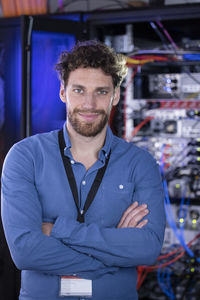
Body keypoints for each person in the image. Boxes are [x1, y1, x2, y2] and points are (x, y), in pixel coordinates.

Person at [1, 40, 166, 300]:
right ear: (63, 92)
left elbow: (147, 248)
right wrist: (112, 255)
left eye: (101, 91)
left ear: (116, 96)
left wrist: (57, 230)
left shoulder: (141, 163)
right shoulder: (25, 156)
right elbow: (25, 251)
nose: (89, 103)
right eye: (79, 90)